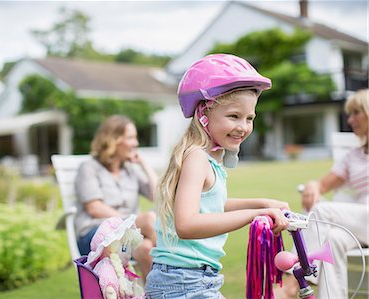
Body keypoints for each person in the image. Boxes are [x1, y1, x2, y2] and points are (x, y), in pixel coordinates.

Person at [144, 53, 290, 298]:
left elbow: (212, 207)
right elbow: (187, 224)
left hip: (195, 278)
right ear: (204, 113)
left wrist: (262, 204)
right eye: (234, 116)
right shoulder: (197, 158)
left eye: (249, 118)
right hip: (182, 282)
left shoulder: (210, 161)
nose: (243, 127)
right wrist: (254, 214)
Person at [274, 89, 369, 299]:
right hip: (362, 224)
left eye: (356, 112)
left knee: (323, 210)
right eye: (349, 114)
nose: (350, 119)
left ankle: (293, 281)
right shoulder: (353, 156)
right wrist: (312, 185)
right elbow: (322, 184)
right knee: (333, 239)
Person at [74, 114, 158, 279]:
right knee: (148, 219)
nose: (136, 143)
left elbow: (158, 196)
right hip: (94, 237)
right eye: (131, 138)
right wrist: (129, 222)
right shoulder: (89, 168)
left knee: (146, 249)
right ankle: (181, 264)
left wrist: (143, 164)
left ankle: (154, 293)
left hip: (126, 239)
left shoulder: (130, 170)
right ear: (113, 140)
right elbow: (94, 208)